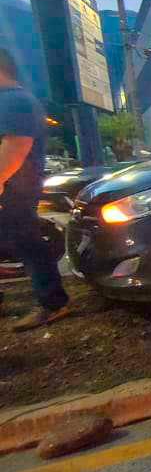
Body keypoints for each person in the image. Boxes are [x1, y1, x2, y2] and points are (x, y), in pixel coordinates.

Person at [0, 48, 70, 331]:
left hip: (13, 190)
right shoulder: (13, 100)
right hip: (13, 188)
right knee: (24, 243)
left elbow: (15, 149)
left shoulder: (14, 102)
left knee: (27, 244)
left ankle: (53, 302)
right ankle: (52, 301)